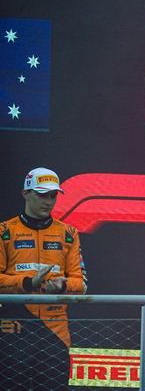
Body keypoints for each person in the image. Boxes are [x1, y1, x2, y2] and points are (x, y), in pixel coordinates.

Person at [0, 167, 88, 390]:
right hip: (13, 326)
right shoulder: (4, 231)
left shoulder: (68, 232)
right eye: (42, 195)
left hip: (55, 329)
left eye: (53, 196)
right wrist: (28, 282)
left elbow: (82, 284)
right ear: (25, 194)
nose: (48, 202)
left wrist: (63, 285)